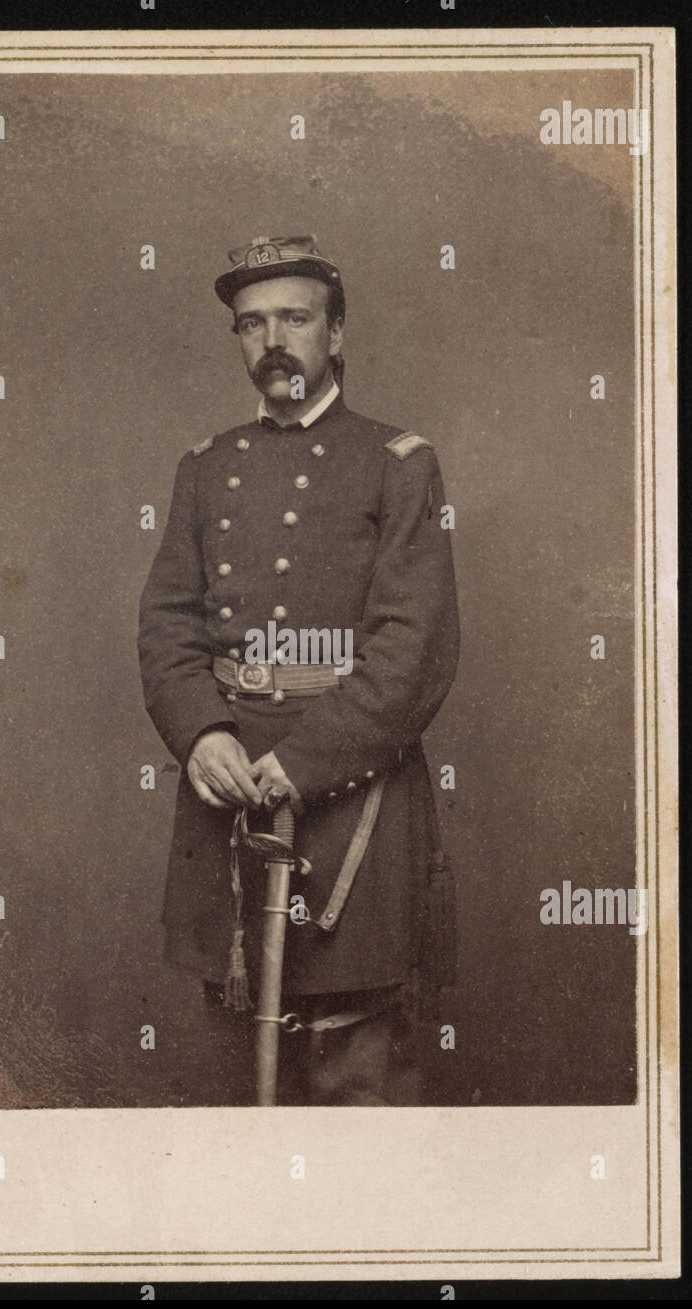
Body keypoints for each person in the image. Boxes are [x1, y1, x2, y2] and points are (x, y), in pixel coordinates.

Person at [138, 234, 459, 1105]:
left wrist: (306, 764)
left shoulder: (398, 462)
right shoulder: (203, 470)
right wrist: (201, 734)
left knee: (356, 1084)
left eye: (295, 318)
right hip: (229, 791)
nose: (272, 339)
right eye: (251, 324)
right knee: (230, 1088)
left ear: (337, 335)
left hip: (352, 793)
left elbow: (414, 646)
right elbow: (168, 625)